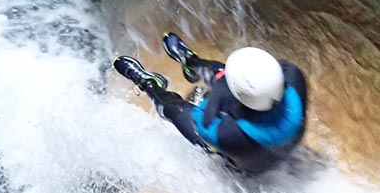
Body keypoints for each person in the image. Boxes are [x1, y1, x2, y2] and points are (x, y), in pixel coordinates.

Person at [112, 32, 308, 175]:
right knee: (225, 74)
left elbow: (202, 118)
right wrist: (225, 81)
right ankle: (192, 63)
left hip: (240, 162)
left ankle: (150, 84)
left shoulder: (230, 135)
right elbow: (262, 79)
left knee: (175, 109)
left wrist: (218, 90)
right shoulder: (294, 78)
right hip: (275, 142)